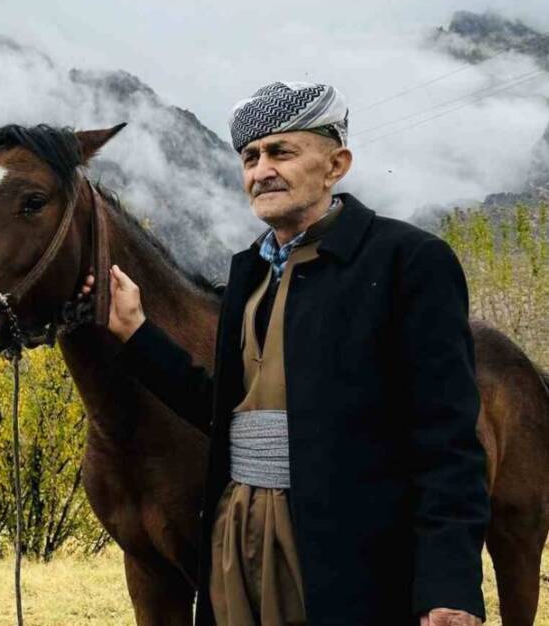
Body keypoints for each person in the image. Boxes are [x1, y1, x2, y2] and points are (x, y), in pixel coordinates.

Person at [78, 81, 489, 625]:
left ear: (335, 164)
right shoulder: (248, 273)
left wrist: (449, 583)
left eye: (281, 152)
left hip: (352, 557)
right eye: (250, 157)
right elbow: (222, 409)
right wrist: (136, 333)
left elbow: (447, 439)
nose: (261, 170)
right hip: (238, 546)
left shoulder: (408, 262)